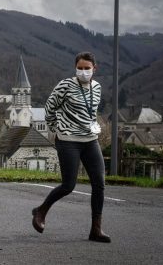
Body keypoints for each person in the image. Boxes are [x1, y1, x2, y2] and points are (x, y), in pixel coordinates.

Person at [32, 51, 110, 243]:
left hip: (90, 140)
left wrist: (92, 126)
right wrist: (55, 128)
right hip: (68, 140)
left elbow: (91, 112)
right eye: (80, 68)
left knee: (99, 184)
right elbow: (50, 107)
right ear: (75, 68)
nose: (83, 72)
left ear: (94, 69)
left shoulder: (97, 88)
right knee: (69, 185)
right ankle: (41, 211)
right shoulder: (65, 85)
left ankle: (96, 230)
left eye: (87, 68)